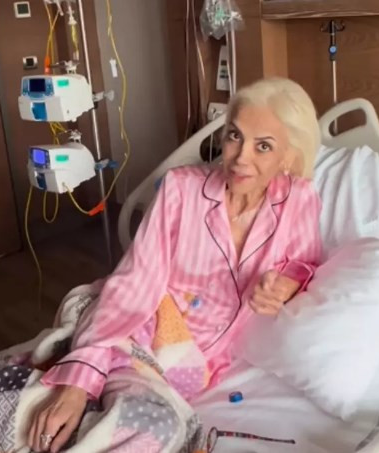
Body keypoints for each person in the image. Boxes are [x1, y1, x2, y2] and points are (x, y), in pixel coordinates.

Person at [28, 77, 323, 452]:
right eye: (235, 136)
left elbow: (305, 261)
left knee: (145, 428)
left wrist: (288, 284)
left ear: (288, 157)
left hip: (188, 361)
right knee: (57, 408)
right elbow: (135, 284)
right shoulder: (181, 189)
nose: (240, 157)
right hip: (129, 325)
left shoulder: (299, 200)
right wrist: (78, 381)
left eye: (263, 146)